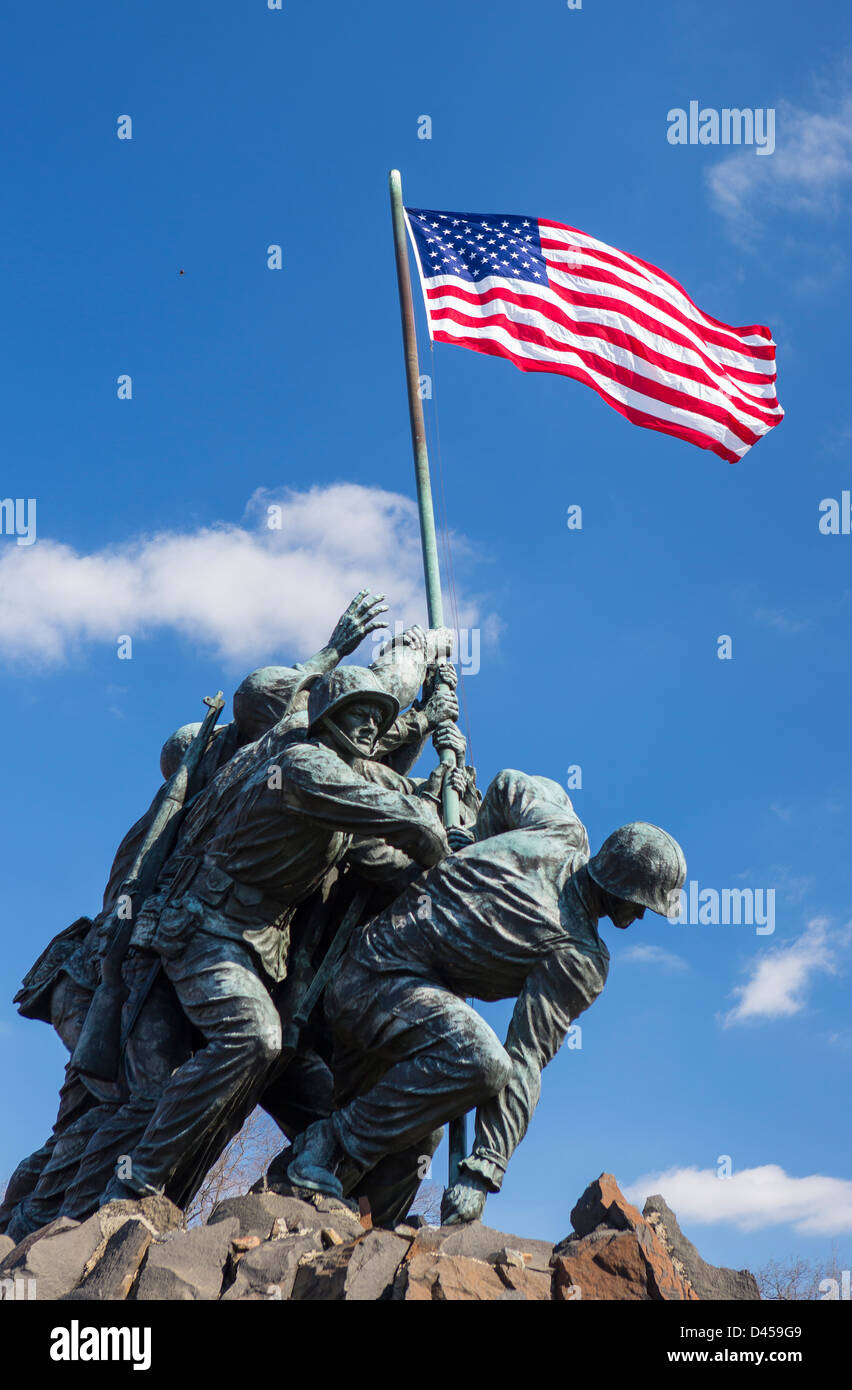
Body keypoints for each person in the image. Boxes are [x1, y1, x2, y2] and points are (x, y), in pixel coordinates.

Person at [99, 666, 452, 1209]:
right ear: (328, 715)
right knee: (251, 1037)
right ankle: (136, 1178)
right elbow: (391, 813)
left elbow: (388, 863)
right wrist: (426, 819)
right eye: (358, 712)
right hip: (207, 931)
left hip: (266, 960)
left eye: (377, 719)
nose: (369, 726)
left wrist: (457, 851)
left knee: (330, 1103)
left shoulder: (341, 803)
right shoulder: (302, 764)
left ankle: (313, 1197)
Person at [286, 770, 686, 1227]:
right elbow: (522, 1059)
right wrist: (485, 1167)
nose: (639, 916)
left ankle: (356, 1228)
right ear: (619, 884)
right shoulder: (579, 956)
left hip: (394, 1001)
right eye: (640, 903)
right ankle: (327, 1143)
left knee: (419, 1141)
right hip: (374, 977)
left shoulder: (558, 826)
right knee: (480, 1061)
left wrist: (477, 839)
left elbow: (507, 786)